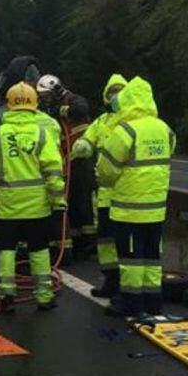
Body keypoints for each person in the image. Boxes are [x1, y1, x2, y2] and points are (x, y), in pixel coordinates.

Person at [0, 81, 67, 312]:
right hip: (38, 207)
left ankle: (6, 297)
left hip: (7, 207)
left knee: (6, 251)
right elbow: (54, 172)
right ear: (34, 105)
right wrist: (58, 201)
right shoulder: (42, 134)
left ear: (9, 106)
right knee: (39, 250)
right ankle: (44, 297)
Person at [96, 76, 175, 317]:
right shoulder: (165, 129)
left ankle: (130, 302)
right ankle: (153, 301)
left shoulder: (125, 130)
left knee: (131, 259)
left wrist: (108, 182)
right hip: (156, 210)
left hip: (129, 209)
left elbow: (106, 169)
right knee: (152, 257)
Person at [70, 74, 128, 297]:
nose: (116, 96)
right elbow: (88, 136)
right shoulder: (102, 121)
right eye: (112, 92)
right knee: (106, 243)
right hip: (105, 194)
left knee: (125, 243)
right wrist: (82, 146)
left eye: (120, 91)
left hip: (126, 194)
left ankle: (127, 286)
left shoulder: (131, 119)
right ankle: (111, 281)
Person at [36, 74, 91, 263]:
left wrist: (61, 110)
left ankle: (87, 243)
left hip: (82, 159)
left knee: (82, 203)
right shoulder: (47, 110)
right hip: (66, 160)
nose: (45, 100)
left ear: (57, 90)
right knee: (70, 204)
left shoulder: (73, 100)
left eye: (47, 95)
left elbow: (81, 109)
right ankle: (72, 245)